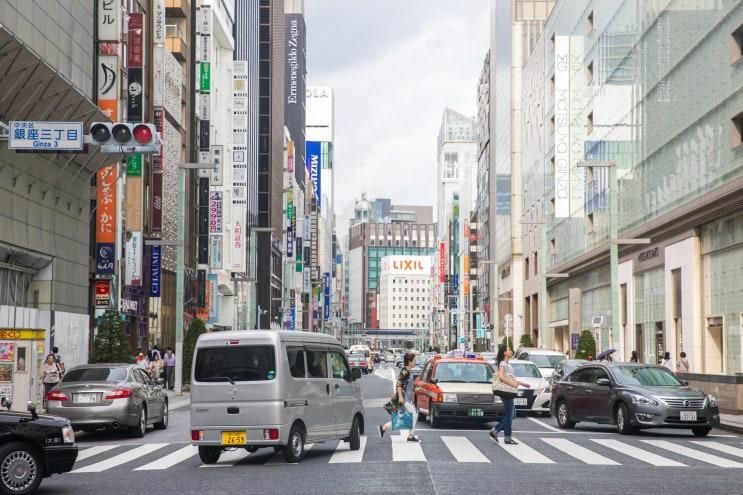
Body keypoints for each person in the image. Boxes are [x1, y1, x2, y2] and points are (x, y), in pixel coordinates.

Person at [490, 346, 530, 445]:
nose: (511, 351)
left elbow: (510, 378)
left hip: (508, 391)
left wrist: (522, 383)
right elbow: (501, 377)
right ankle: (505, 436)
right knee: (510, 415)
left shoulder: (507, 364)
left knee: (512, 415)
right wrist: (512, 384)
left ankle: (497, 431)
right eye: (509, 350)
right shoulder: (503, 364)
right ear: (504, 352)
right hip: (506, 391)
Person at [378, 352, 419, 442]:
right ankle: (411, 436)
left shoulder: (409, 371)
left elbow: (408, 385)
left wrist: (415, 388)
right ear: (409, 361)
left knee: (402, 418)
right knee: (414, 415)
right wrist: (400, 398)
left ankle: (384, 427)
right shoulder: (404, 371)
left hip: (407, 398)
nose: (415, 361)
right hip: (404, 399)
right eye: (414, 360)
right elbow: (398, 384)